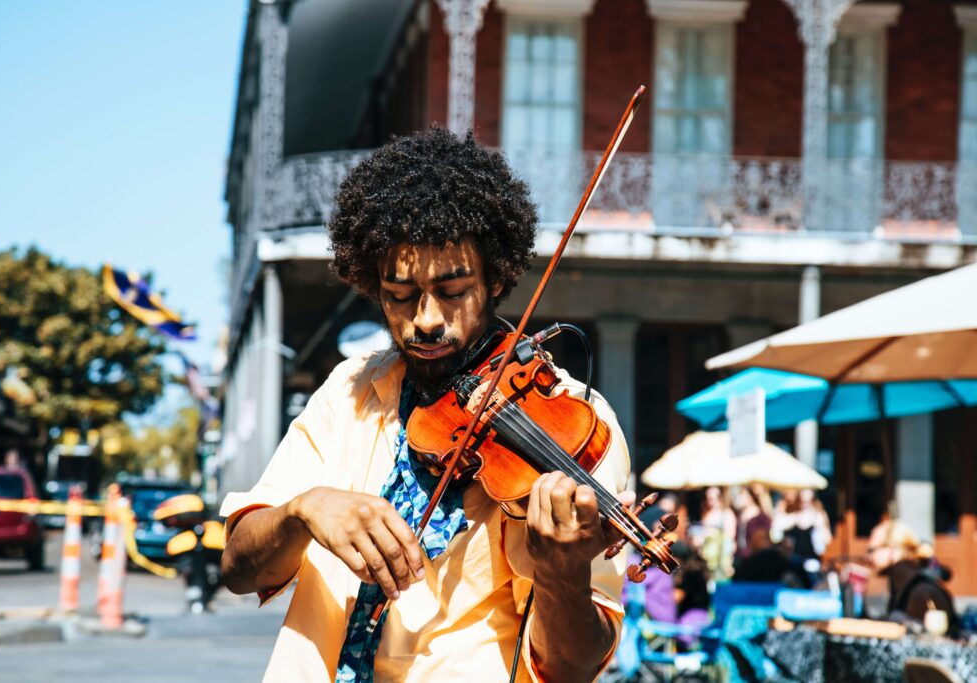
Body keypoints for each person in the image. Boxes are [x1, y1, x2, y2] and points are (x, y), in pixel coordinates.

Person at [220, 129, 635, 683]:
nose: (426, 319)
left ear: (495, 280)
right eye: (399, 295)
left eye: (454, 290)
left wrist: (563, 576)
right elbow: (239, 567)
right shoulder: (349, 391)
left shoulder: (575, 423)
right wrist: (303, 511)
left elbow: (575, 665)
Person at [867, 519, 959, 636]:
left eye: (871, 550)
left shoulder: (922, 592)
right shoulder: (901, 586)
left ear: (892, 550)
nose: (867, 557)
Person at [772, 490, 831, 579]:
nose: (805, 504)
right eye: (802, 501)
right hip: (791, 563)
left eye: (808, 501)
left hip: (811, 562)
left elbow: (826, 541)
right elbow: (775, 535)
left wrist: (820, 527)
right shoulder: (789, 514)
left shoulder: (818, 516)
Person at [693, 486, 736, 581]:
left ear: (720, 498)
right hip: (706, 559)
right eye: (708, 499)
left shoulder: (727, 514)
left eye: (712, 499)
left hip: (720, 559)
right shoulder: (707, 513)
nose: (710, 502)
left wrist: (727, 563)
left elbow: (729, 538)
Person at [733, 486, 771, 565]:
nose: (740, 498)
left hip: (755, 557)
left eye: (742, 495)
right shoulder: (739, 515)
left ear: (750, 497)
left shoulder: (761, 517)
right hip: (739, 555)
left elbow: (762, 539)